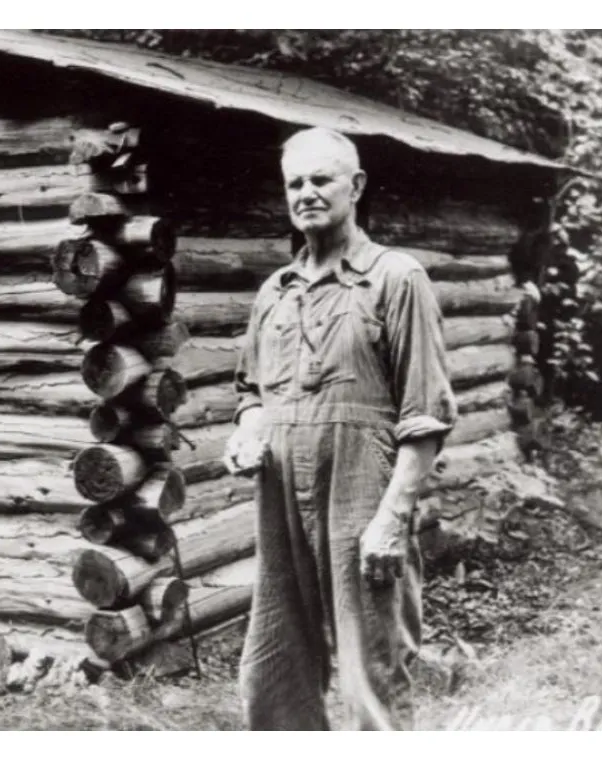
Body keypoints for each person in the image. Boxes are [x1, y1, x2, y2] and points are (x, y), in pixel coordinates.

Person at [223, 127, 458, 731]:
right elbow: (251, 393)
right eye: (294, 183)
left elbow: (425, 414)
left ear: (355, 187)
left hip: (362, 492)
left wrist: (392, 515)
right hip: (278, 498)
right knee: (272, 671)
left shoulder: (396, 279)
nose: (306, 193)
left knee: (370, 670)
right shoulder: (274, 292)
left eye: (320, 179)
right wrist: (247, 434)